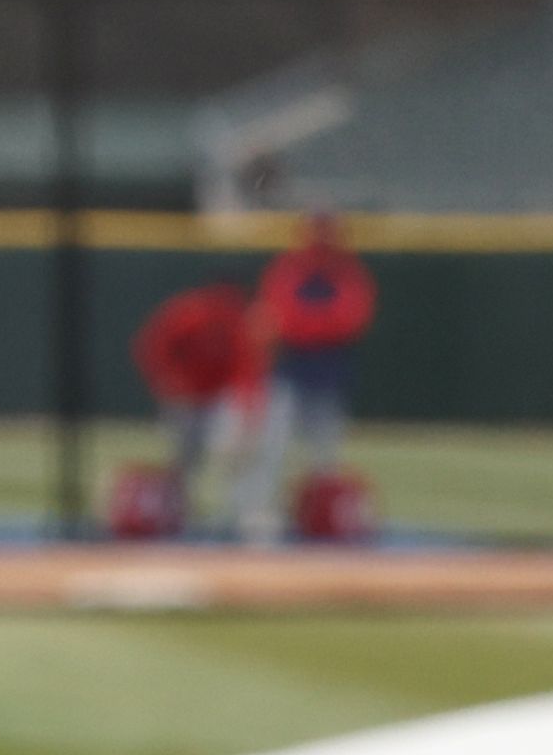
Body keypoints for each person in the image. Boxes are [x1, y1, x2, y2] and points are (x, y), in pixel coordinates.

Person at [248, 214, 377, 532]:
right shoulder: (288, 268)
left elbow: (351, 319)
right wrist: (320, 326)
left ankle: (323, 518)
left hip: (329, 374)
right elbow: (281, 317)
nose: (322, 238)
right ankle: (260, 513)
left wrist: (306, 326)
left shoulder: (348, 272)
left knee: (326, 458)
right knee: (272, 449)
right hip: (289, 371)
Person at [135, 278, 269, 534]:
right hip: (184, 396)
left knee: (228, 454)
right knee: (184, 458)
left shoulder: (237, 320)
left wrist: (248, 405)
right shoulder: (190, 313)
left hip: (217, 399)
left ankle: (227, 515)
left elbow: (246, 366)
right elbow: (153, 345)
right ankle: (174, 513)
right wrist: (167, 379)